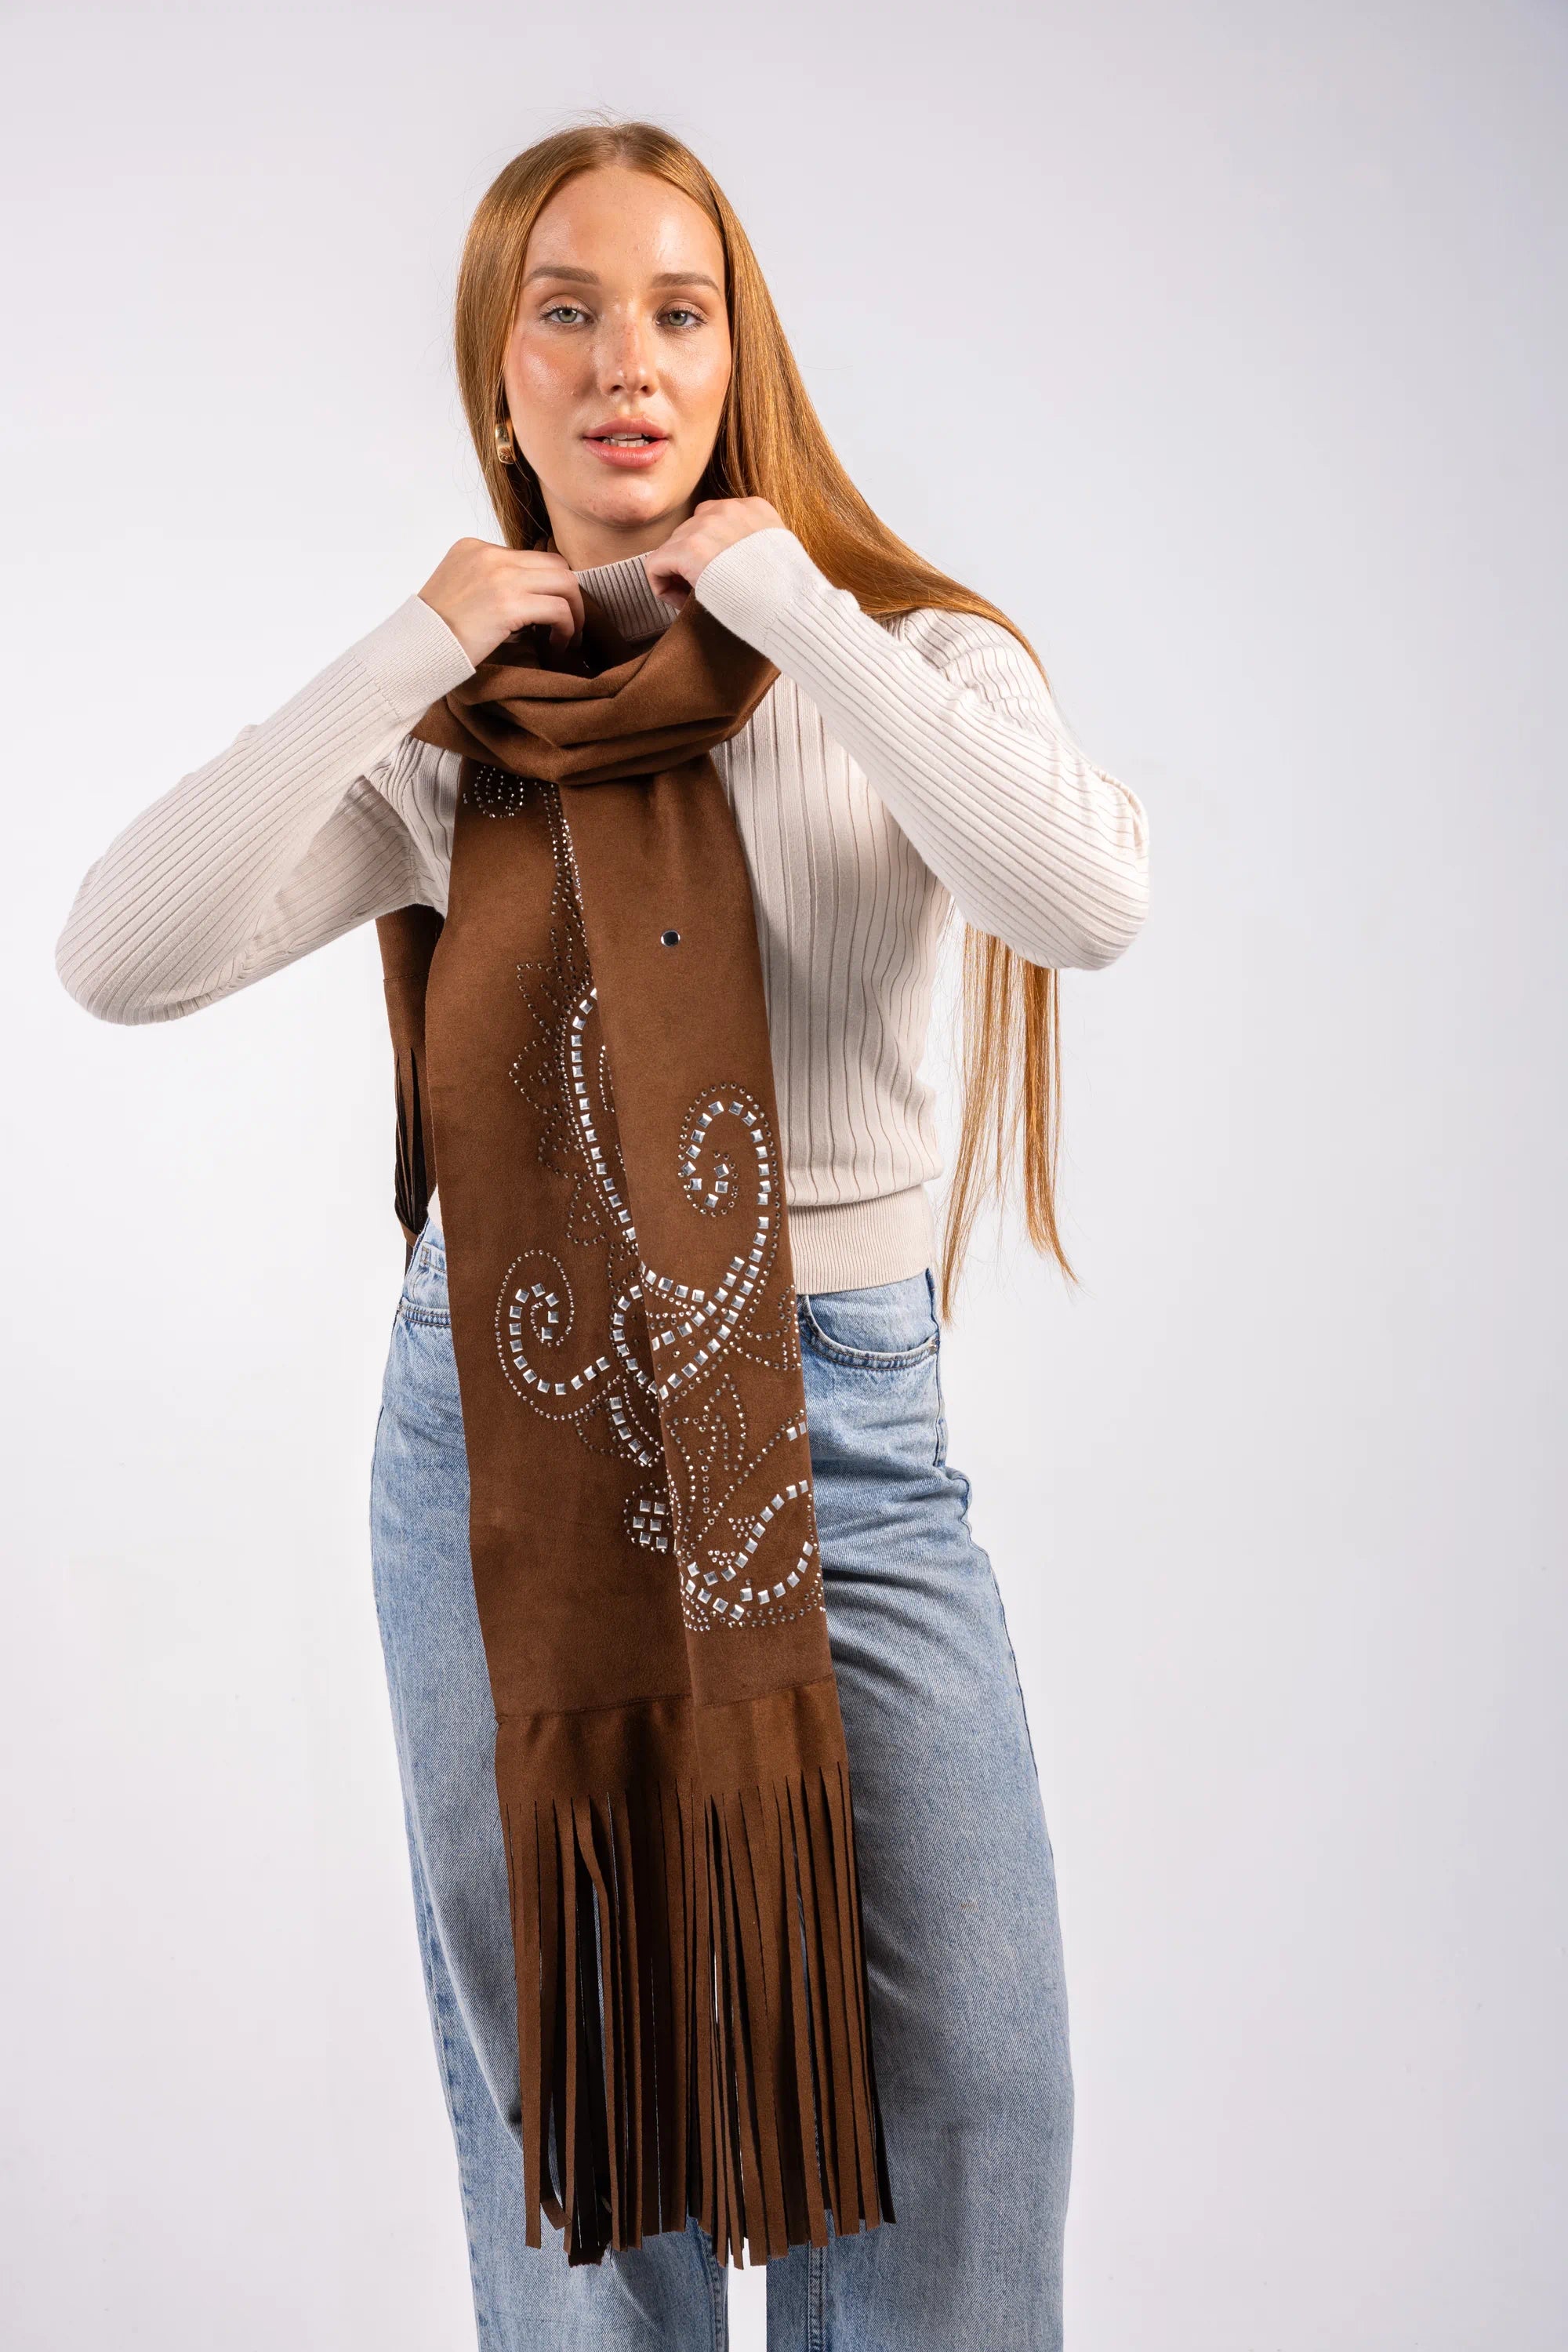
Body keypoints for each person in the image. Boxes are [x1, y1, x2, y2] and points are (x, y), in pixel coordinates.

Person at [56, 119, 1148, 2352]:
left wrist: (788, 606)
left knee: (972, 2092)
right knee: (582, 2105)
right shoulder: (462, 737)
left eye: (677, 310)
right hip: (507, 1440)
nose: (625, 360)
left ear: (743, 359)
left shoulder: (906, 660)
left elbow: (1079, 902)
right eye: (566, 311)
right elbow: (117, 953)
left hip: (842, 1439)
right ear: (501, 370)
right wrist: (410, 645)